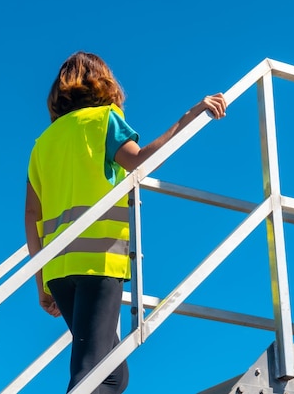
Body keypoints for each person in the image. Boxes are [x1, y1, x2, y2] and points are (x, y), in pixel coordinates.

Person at [24, 51, 227, 394]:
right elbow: (141, 161)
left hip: (59, 270)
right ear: (104, 81)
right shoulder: (106, 119)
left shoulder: (42, 144)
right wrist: (190, 115)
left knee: (114, 375)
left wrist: (42, 281)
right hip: (100, 259)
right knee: (92, 370)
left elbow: (33, 215)